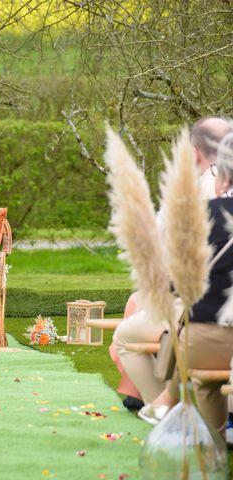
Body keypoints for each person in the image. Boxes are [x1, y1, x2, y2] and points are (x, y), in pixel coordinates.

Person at [111, 117, 233, 411]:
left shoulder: (199, 199)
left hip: (202, 317)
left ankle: (169, 410)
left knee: (128, 332)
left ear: (193, 153)